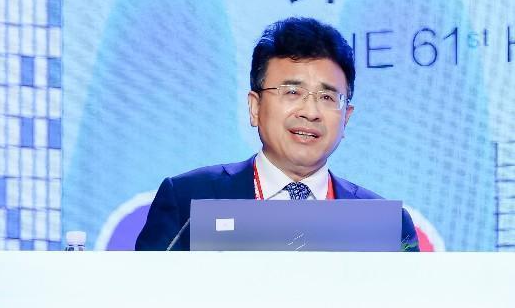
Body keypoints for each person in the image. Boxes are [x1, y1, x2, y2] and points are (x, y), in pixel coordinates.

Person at [135, 17, 419, 251]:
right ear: (255, 107)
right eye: (292, 92)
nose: (310, 112)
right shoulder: (190, 202)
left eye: (327, 97)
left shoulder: (386, 226)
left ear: (346, 117)